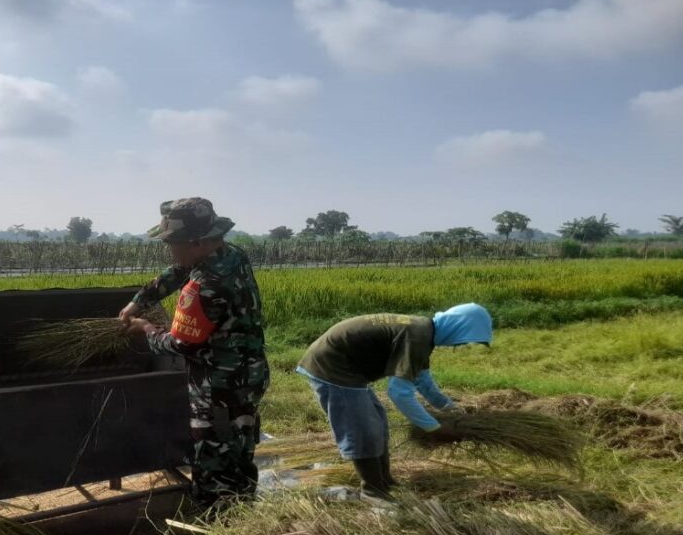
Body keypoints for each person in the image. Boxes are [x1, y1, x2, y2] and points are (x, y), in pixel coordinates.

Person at [120, 197, 269, 507]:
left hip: (218, 388)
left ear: (198, 242)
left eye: (173, 243)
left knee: (214, 460)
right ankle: (245, 508)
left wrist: (146, 329)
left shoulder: (205, 287)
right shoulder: (232, 256)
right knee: (241, 446)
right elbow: (178, 269)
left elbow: (181, 344)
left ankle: (217, 520)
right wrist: (141, 298)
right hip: (250, 374)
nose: (169, 249)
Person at [296, 303, 492, 497]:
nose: (460, 345)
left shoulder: (423, 333)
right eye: (465, 339)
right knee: (363, 428)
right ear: (459, 327)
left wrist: (451, 409)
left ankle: (385, 480)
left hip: (349, 369)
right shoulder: (417, 337)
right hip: (333, 368)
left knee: (378, 423)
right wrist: (434, 428)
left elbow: (423, 382)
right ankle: (373, 491)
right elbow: (399, 393)